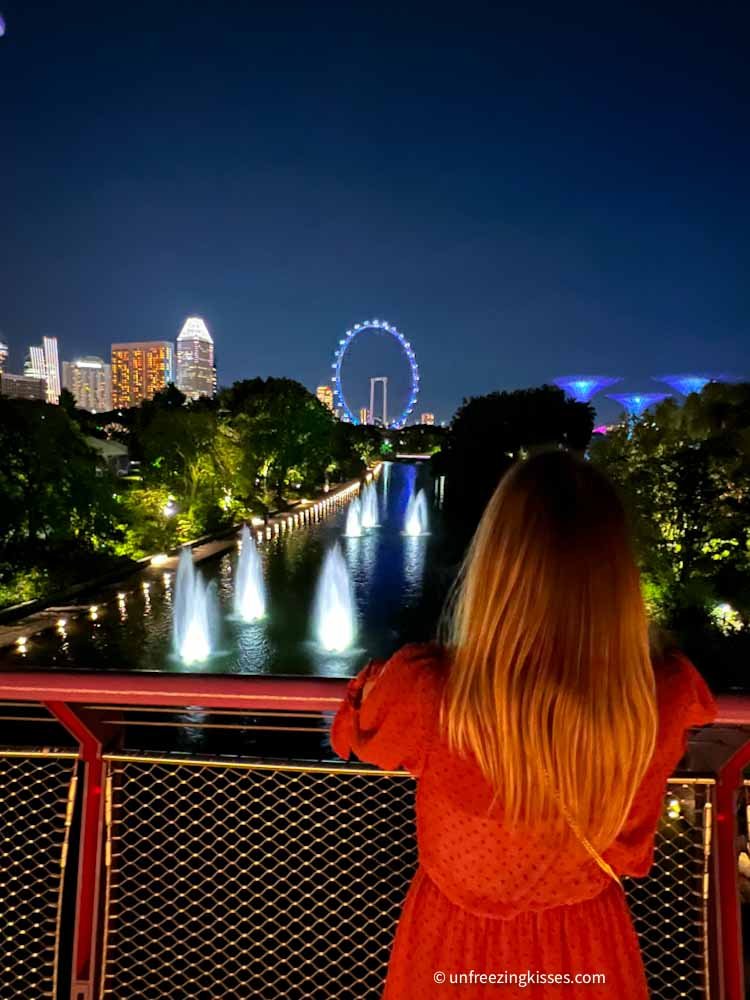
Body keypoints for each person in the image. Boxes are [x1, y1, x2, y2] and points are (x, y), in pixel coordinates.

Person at [331, 450, 716, 998]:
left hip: (454, 949)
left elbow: (356, 734)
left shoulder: (432, 693)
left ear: (494, 564)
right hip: (585, 947)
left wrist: (370, 685)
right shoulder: (660, 695)